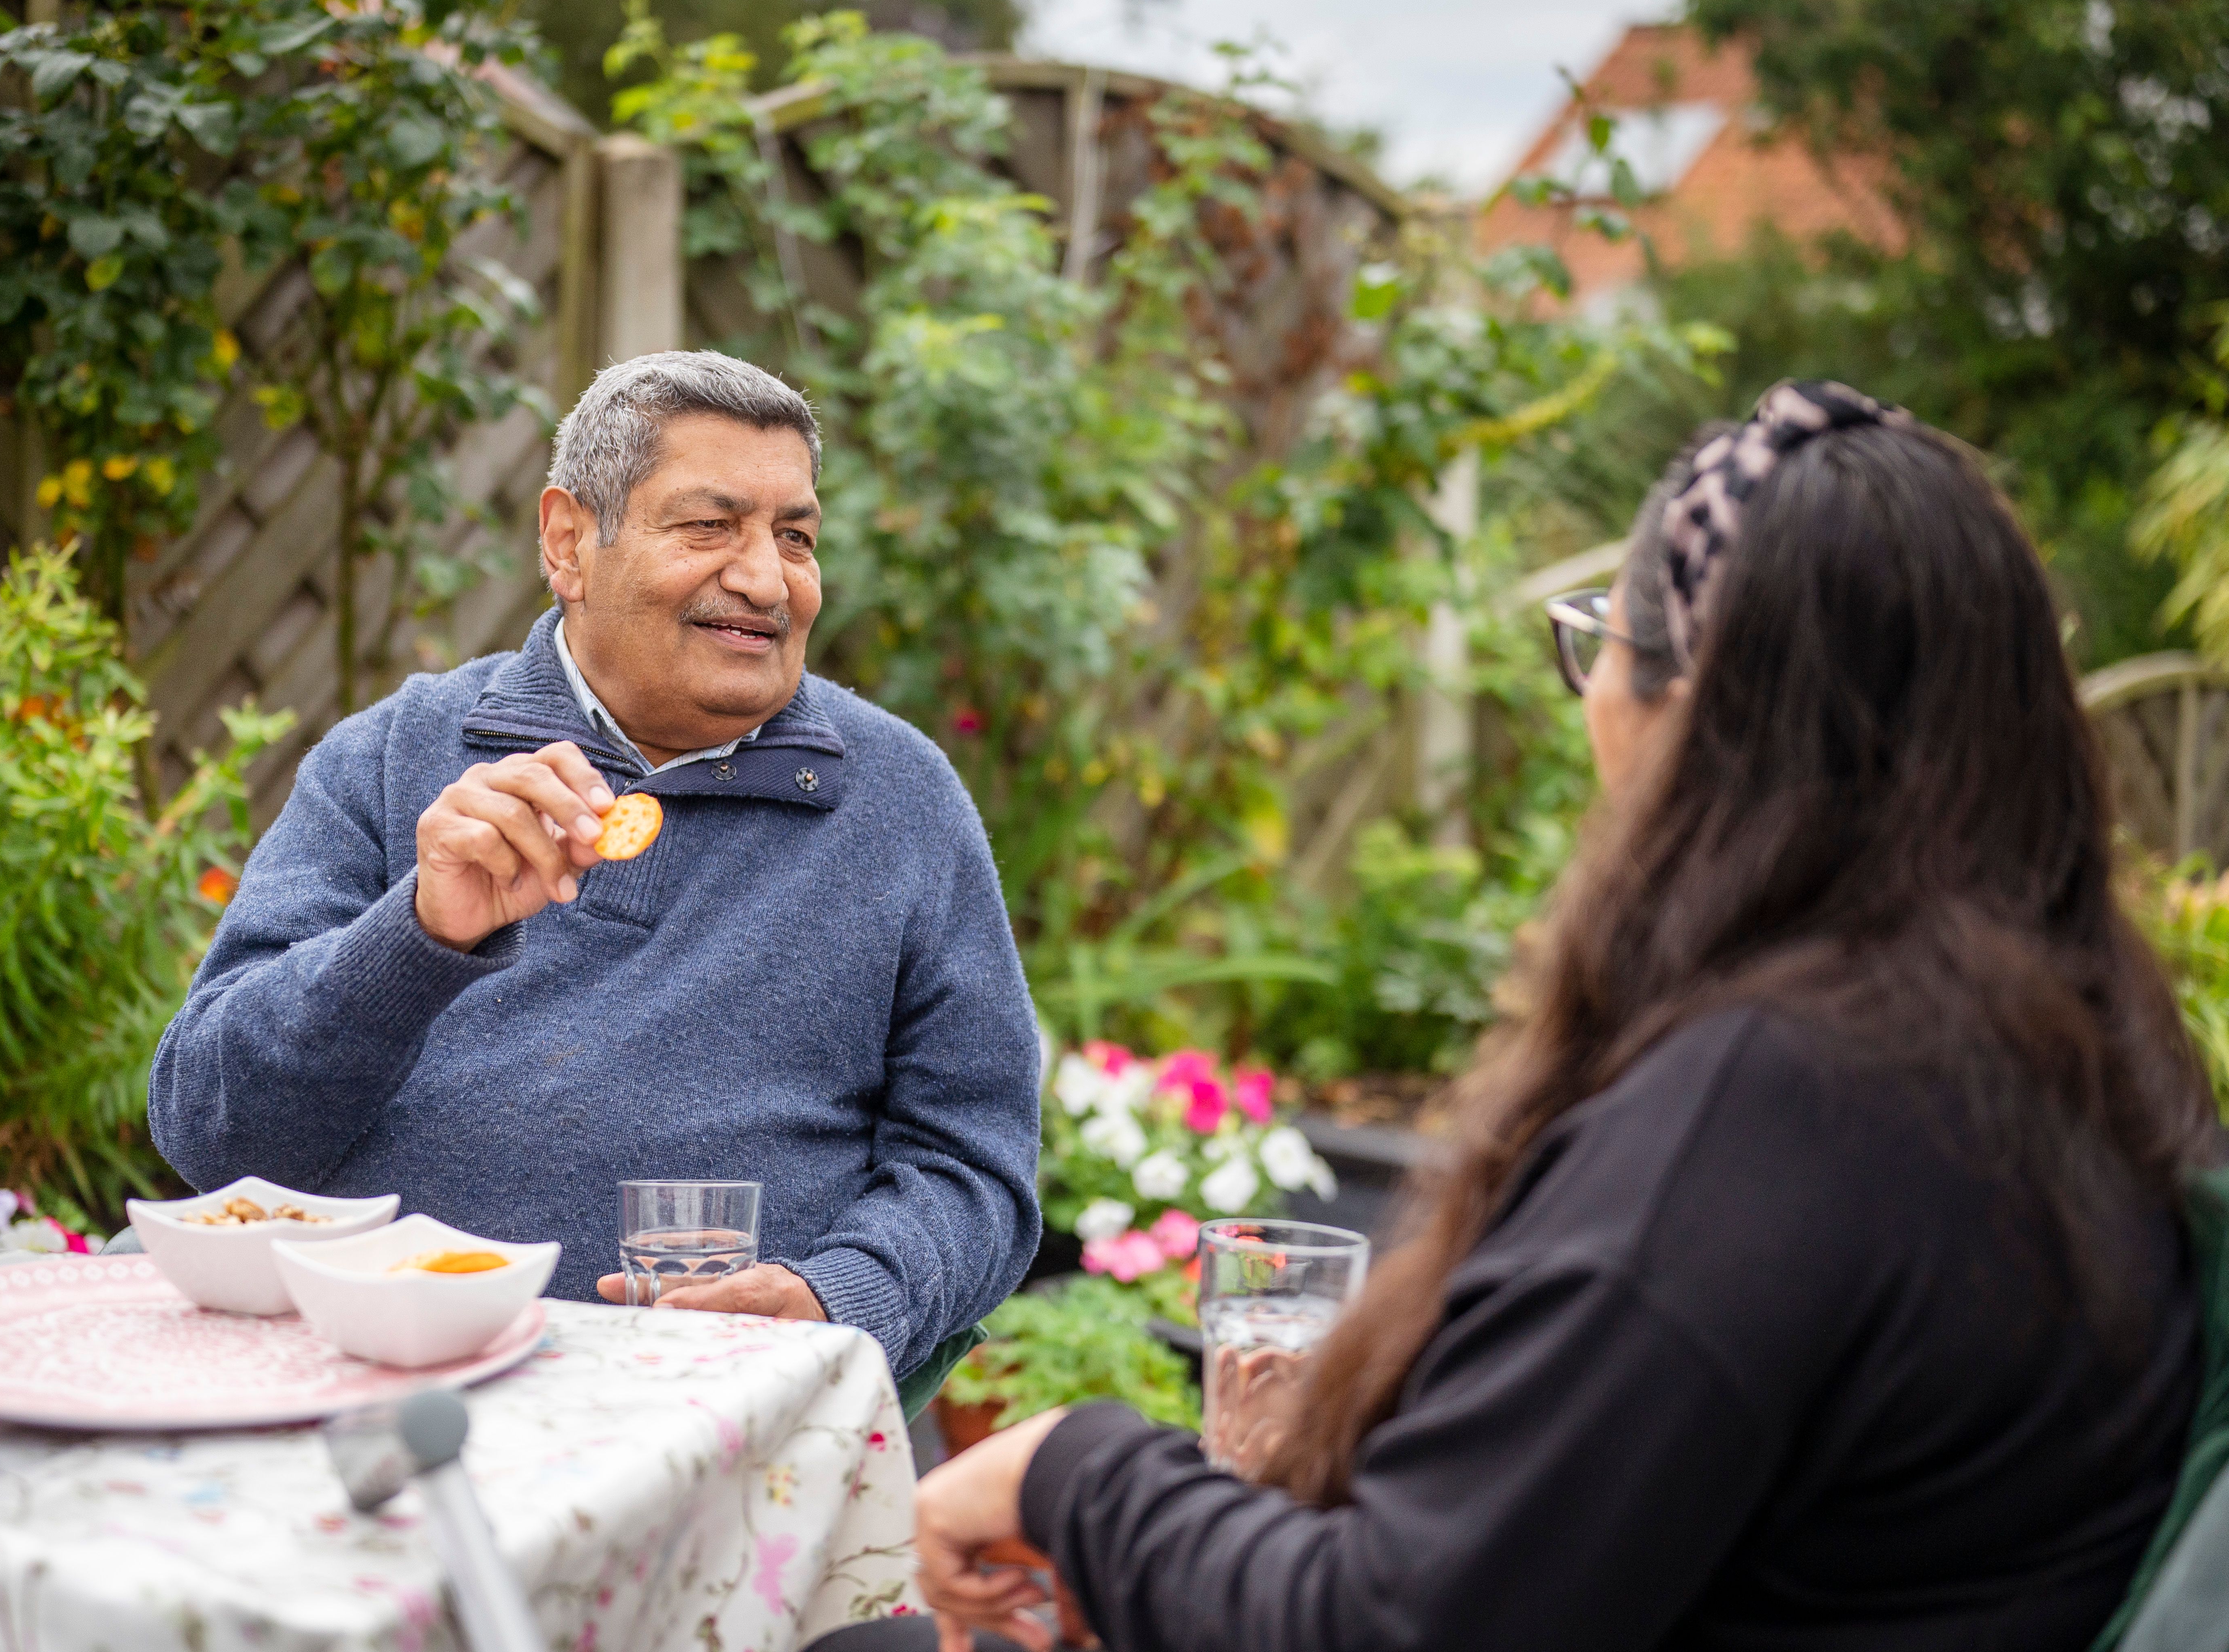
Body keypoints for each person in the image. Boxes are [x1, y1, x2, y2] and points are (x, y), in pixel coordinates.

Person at [841, 383, 2224, 1651]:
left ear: (1698, 712)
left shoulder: (1772, 1112)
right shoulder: (2061, 1058)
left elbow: (1388, 1624)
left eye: (1599, 650)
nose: (1589, 710)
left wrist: (1075, 1466)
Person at [147, 350, 1042, 1384]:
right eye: (709, 527)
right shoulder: (395, 758)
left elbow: (974, 1169)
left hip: (710, 1410)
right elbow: (212, 1133)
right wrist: (420, 937)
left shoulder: (900, 800)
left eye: (793, 536)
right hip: (370, 1382)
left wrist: (839, 1292)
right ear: (569, 542)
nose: (764, 578)